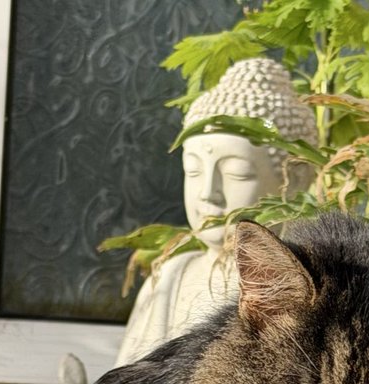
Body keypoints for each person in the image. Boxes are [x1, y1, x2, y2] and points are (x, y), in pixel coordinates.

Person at [115, 58, 316, 366]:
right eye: (193, 170)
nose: (208, 193)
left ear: (297, 178)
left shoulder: (303, 287)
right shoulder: (173, 274)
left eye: (236, 173)